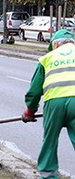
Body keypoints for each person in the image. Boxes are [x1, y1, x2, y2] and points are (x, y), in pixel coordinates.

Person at [21, 29, 75, 179]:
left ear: (56, 44)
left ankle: (48, 176)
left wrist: (29, 112)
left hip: (54, 102)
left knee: (50, 140)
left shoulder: (47, 58)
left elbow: (34, 90)